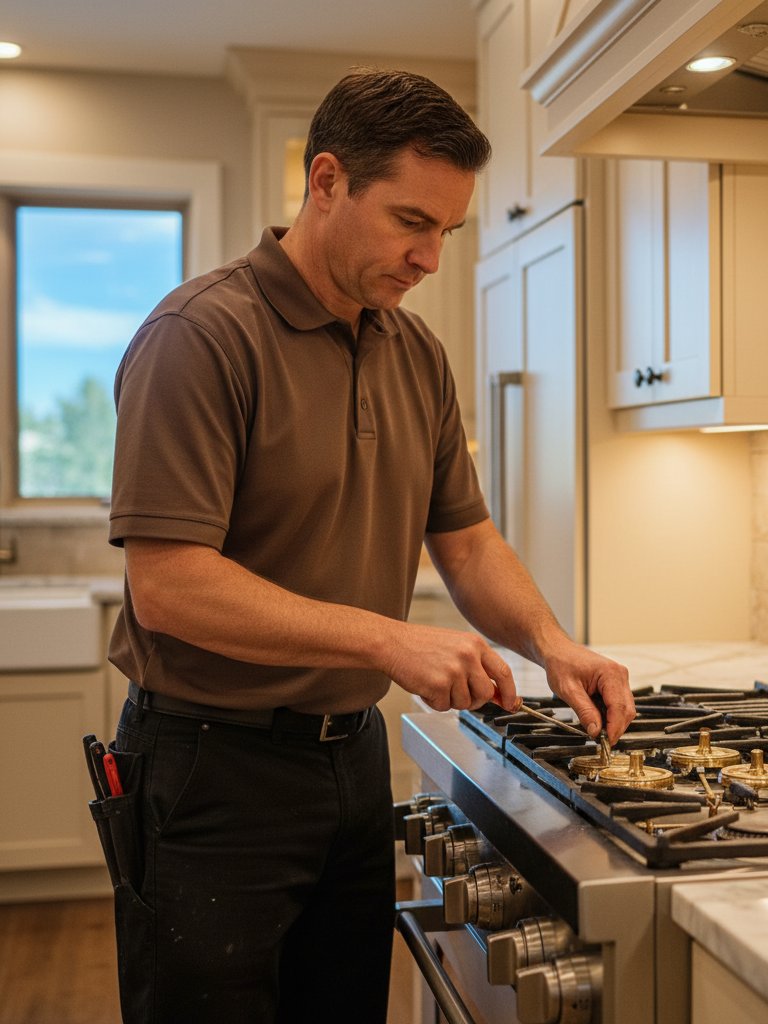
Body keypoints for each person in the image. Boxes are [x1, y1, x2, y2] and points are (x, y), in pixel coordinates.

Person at [106, 67, 635, 1023]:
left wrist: (552, 645)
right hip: (207, 774)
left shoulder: (414, 351)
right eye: (410, 222)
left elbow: (467, 543)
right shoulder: (200, 336)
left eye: (447, 232)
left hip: (349, 761)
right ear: (325, 182)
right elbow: (169, 589)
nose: (431, 257)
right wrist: (389, 641)